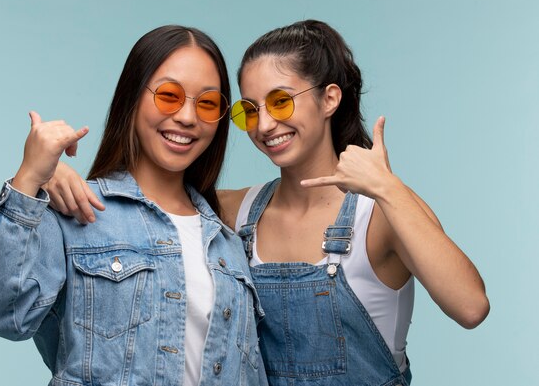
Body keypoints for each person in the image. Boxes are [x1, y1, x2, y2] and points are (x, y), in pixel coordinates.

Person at [45, 20, 490, 385]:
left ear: (330, 98)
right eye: (249, 110)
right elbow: (138, 207)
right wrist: (51, 176)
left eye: (280, 101)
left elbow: (470, 307)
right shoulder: (234, 212)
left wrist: (388, 187)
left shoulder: (381, 212)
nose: (265, 124)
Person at [0, 25, 268, 386]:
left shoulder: (227, 241)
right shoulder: (76, 210)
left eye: (208, 103)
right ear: (133, 98)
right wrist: (29, 177)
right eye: (169, 95)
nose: (187, 117)